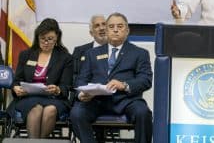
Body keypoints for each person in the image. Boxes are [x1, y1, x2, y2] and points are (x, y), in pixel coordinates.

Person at [70, 12, 153, 143]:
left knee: (143, 113)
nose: (115, 30)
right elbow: (82, 79)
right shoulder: (91, 53)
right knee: (76, 113)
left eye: (120, 27)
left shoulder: (140, 53)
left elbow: (145, 80)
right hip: (96, 100)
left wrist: (124, 85)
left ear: (127, 30)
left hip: (127, 100)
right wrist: (82, 94)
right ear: (107, 30)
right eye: (111, 27)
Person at [8, 18, 73, 138]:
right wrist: (16, 88)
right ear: (37, 37)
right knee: (35, 109)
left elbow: (66, 85)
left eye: (50, 39)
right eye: (42, 39)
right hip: (28, 98)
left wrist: (58, 89)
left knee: (50, 110)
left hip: (54, 99)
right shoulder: (26, 54)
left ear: (57, 37)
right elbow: (17, 81)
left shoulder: (65, 58)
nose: (46, 42)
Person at [72, 14, 107, 79]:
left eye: (104, 24)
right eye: (97, 26)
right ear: (91, 33)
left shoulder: (116, 50)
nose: (101, 28)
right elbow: (72, 76)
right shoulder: (79, 51)